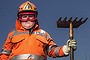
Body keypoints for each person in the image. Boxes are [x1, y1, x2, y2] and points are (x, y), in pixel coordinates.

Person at [0, 1, 77, 60]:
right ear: (19, 19)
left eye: (31, 16)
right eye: (24, 16)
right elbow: (4, 55)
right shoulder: (13, 34)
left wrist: (66, 48)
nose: (28, 20)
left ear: (35, 18)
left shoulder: (43, 34)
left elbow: (52, 50)